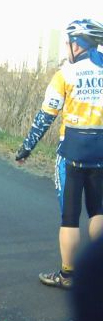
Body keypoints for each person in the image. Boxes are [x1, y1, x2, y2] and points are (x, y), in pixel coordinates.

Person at [15, 18, 103, 289]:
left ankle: (67, 275)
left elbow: (46, 116)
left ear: (77, 45)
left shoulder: (66, 73)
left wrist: (26, 148)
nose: (66, 47)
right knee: (99, 212)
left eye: (68, 42)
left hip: (72, 152)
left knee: (70, 217)